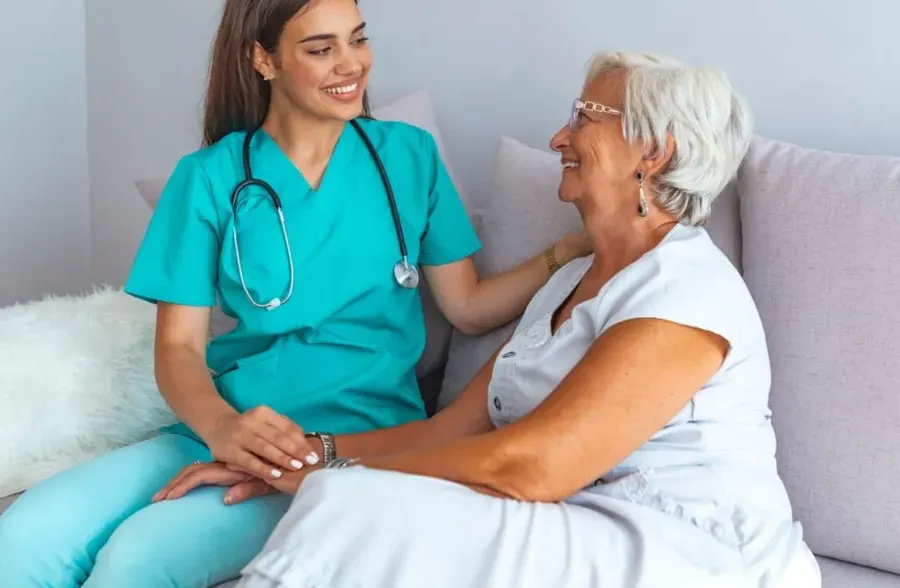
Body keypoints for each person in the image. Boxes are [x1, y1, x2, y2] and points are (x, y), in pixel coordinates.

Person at [0, 0, 590, 588]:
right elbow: (177, 347)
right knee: (24, 537)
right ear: (263, 58)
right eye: (320, 48)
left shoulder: (407, 158)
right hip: (228, 424)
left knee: (138, 559)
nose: (352, 65)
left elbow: (469, 306)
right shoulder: (208, 178)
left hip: (352, 441)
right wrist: (222, 427)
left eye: (358, 40)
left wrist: (569, 250)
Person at [159, 52, 823, 588]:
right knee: (347, 506)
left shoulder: (687, 290)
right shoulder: (568, 284)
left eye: (584, 116)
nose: (559, 137)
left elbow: (535, 468)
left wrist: (328, 477)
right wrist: (301, 457)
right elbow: (449, 430)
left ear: (653, 151)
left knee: (345, 505)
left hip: (692, 555)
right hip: (579, 524)